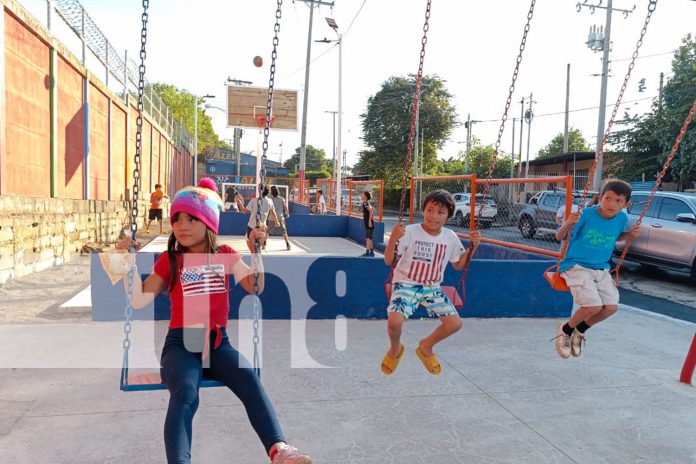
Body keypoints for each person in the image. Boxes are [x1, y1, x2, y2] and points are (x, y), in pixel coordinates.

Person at [114, 178, 312, 464]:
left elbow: (256, 286)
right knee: (185, 392)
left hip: (218, 344)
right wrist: (126, 263)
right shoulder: (171, 260)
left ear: (208, 223)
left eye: (191, 219)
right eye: (177, 219)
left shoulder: (226, 256)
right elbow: (139, 299)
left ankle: (279, 449)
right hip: (182, 344)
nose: (181, 225)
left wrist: (256, 250)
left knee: (249, 379)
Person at [382, 190, 480, 376]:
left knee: (455, 324)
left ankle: (426, 345)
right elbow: (388, 260)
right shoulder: (410, 231)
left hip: (432, 287)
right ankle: (395, 349)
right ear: (424, 209)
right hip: (406, 283)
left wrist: (473, 247)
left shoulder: (450, 237)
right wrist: (394, 237)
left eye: (440, 212)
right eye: (430, 210)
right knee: (394, 322)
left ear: (448, 216)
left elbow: (459, 265)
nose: (434, 216)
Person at [553, 180, 640, 359]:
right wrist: (568, 222)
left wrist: (629, 235)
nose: (611, 204)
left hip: (601, 268)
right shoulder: (585, 214)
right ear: (601, 198)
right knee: (593, 306)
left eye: (618, 201)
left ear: (626, 204)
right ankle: (566, 330)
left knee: (610, 307)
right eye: (608, 198)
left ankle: (579, 331)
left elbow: (614, 238)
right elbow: (559, 236)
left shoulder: (622, 218)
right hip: (576, 265)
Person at [246, 185, 279, 251]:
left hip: (251, 226)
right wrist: (277, 221)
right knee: (258, 248)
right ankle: (258, 254)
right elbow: (273, 212)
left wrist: (239, 203)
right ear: (268, 192)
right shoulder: (269, 201)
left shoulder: (254, 200)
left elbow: (244, 211)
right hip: (262, 227)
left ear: (259, 191)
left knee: (251, 246)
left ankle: (255, 255)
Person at [269, 186, 291, 251]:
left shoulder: (270, 198)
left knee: (267, 232)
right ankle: (287, 244)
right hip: (280, 217)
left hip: (272, 217)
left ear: (271, 191)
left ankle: (264, 244)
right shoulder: (281, 198)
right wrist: (287, 213)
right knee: (284, 232)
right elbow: (285, 206)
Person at [360, 191, 375, 257]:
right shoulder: (367, 203)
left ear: (365, 196)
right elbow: (373, 210)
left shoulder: (365, 203)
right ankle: (371, 251)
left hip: (368, 223)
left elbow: (371, 211)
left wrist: (369, 221)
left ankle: (367, 252)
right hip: (369, 222)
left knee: (368, 238)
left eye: (362, 194)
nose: (361, 195)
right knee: (370, 237)